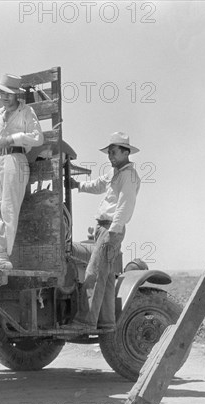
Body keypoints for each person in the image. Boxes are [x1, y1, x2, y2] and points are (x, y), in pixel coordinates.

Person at [61, 132, 141, 332]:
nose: (110, 156)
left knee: (94, 273)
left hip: (111, 228)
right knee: (105, 277)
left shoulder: (129, 176)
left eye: (113, 152)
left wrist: (114, 231)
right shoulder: (116, 173)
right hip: (105, 228)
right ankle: (106, 322)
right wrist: (78, 185)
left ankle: (84, 322)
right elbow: (98, 185)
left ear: (125, 152)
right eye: (109, 152)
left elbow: (125, 205)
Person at [0, 73, 44, 270]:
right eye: (2, 93)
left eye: (9, 93)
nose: (5, 97)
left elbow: (37, 138)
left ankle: (3, 257)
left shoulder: (26, 111)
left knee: (8, 209)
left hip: (15, 160)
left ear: (17, 94)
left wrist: (14, 138)